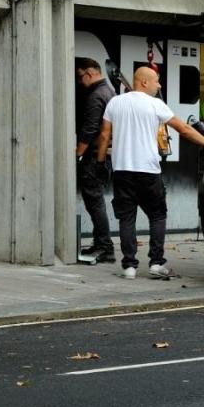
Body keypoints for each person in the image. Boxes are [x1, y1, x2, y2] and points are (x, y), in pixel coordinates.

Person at [95, 66, 204, 280]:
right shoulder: (155, 104)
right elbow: (184, 129)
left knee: (126, 218)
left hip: (122, 171)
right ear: (144, 82)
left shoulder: (115, 102)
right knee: (158, 215)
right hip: (148, 171)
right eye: (156, 81)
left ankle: (129, 267)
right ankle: (156, 263)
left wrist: (100, 162)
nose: (159, 85)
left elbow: (104, 135)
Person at [75, 57, 117, 265]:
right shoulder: (109, 92)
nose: (79, 82)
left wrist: (78, 154)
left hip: (94, 156)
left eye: (80, 77)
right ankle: (101, 243)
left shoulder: (96, 95)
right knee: (96, 200)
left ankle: (104, 246)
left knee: (94, 201)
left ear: (89, 73)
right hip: (104, 155)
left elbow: (90, 129)